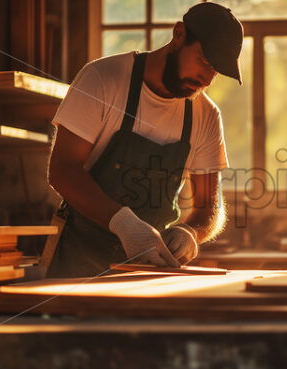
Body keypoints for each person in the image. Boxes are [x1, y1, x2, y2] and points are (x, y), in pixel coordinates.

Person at [45, 3, 243, 278]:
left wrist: (190, 233)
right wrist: (123, 223)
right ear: (179, 34)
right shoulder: (103, 80)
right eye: (204, 61)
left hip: (149, 271)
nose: (206, 78)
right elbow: (62, 170)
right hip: (78, 266)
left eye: (216, 71)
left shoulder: (206, 116)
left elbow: (209, 208)